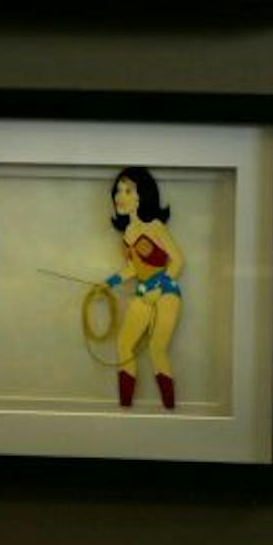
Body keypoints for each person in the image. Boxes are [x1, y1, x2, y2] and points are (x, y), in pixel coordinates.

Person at [105, 167, 185, 410]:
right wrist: (109, 283)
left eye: (128, 190)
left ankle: (169, 408)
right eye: (118, 190)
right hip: (143, 292)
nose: (120, 196)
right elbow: (132, 269)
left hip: (167, 293)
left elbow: (178, 261)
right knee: (123, 345)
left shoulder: (156, 227)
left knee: (157, 348)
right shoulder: (128, 234)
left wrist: (160, 289)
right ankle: (125, 409)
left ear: (141, 196)